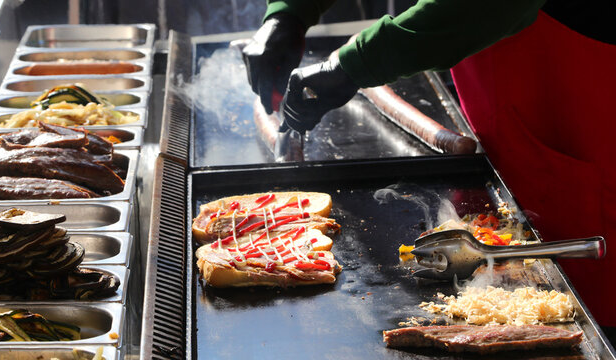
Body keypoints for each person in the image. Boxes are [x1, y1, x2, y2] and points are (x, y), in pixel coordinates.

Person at [242, 0, 616, 331]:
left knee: (589, 315)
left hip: (585, 129)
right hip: (506, 126)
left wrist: (356, 62)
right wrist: (290, 12)